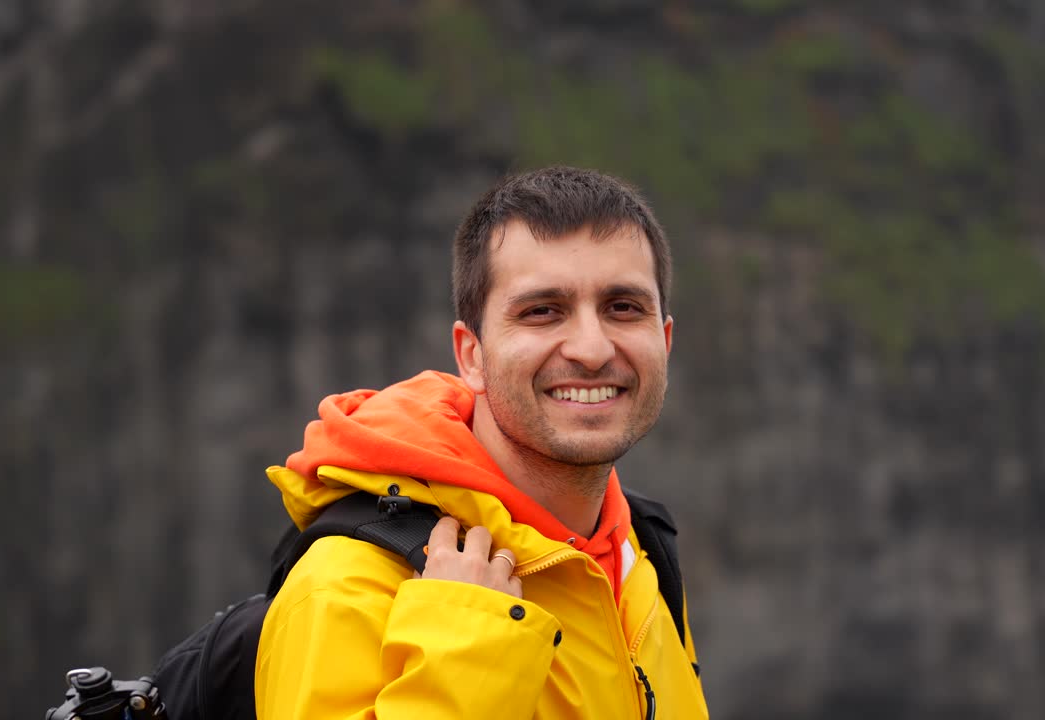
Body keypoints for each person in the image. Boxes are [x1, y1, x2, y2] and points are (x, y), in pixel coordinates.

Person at [256, 166, 708, 718]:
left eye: (623, 307)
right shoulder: (343, 588)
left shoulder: (641, 561)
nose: (592, 349)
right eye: (543, 311)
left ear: (663, 340)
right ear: (471, 355)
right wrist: (467, 655)